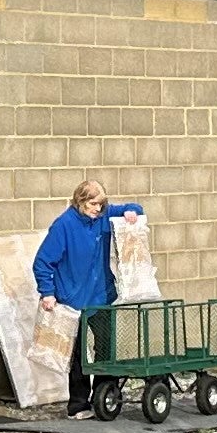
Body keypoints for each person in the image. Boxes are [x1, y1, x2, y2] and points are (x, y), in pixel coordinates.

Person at [33, 177, 139, 413]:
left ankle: (106, 397)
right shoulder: (64, 226)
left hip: (101, 296)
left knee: (106, 348)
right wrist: (47, 292)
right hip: (75, 300)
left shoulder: (103, 218)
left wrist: (132, 213)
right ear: (80, 202)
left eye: (100, 205)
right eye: (93, 205)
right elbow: (43, 262)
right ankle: (78, 404)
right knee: (80, 355)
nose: (97, 209)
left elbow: (134, 208)